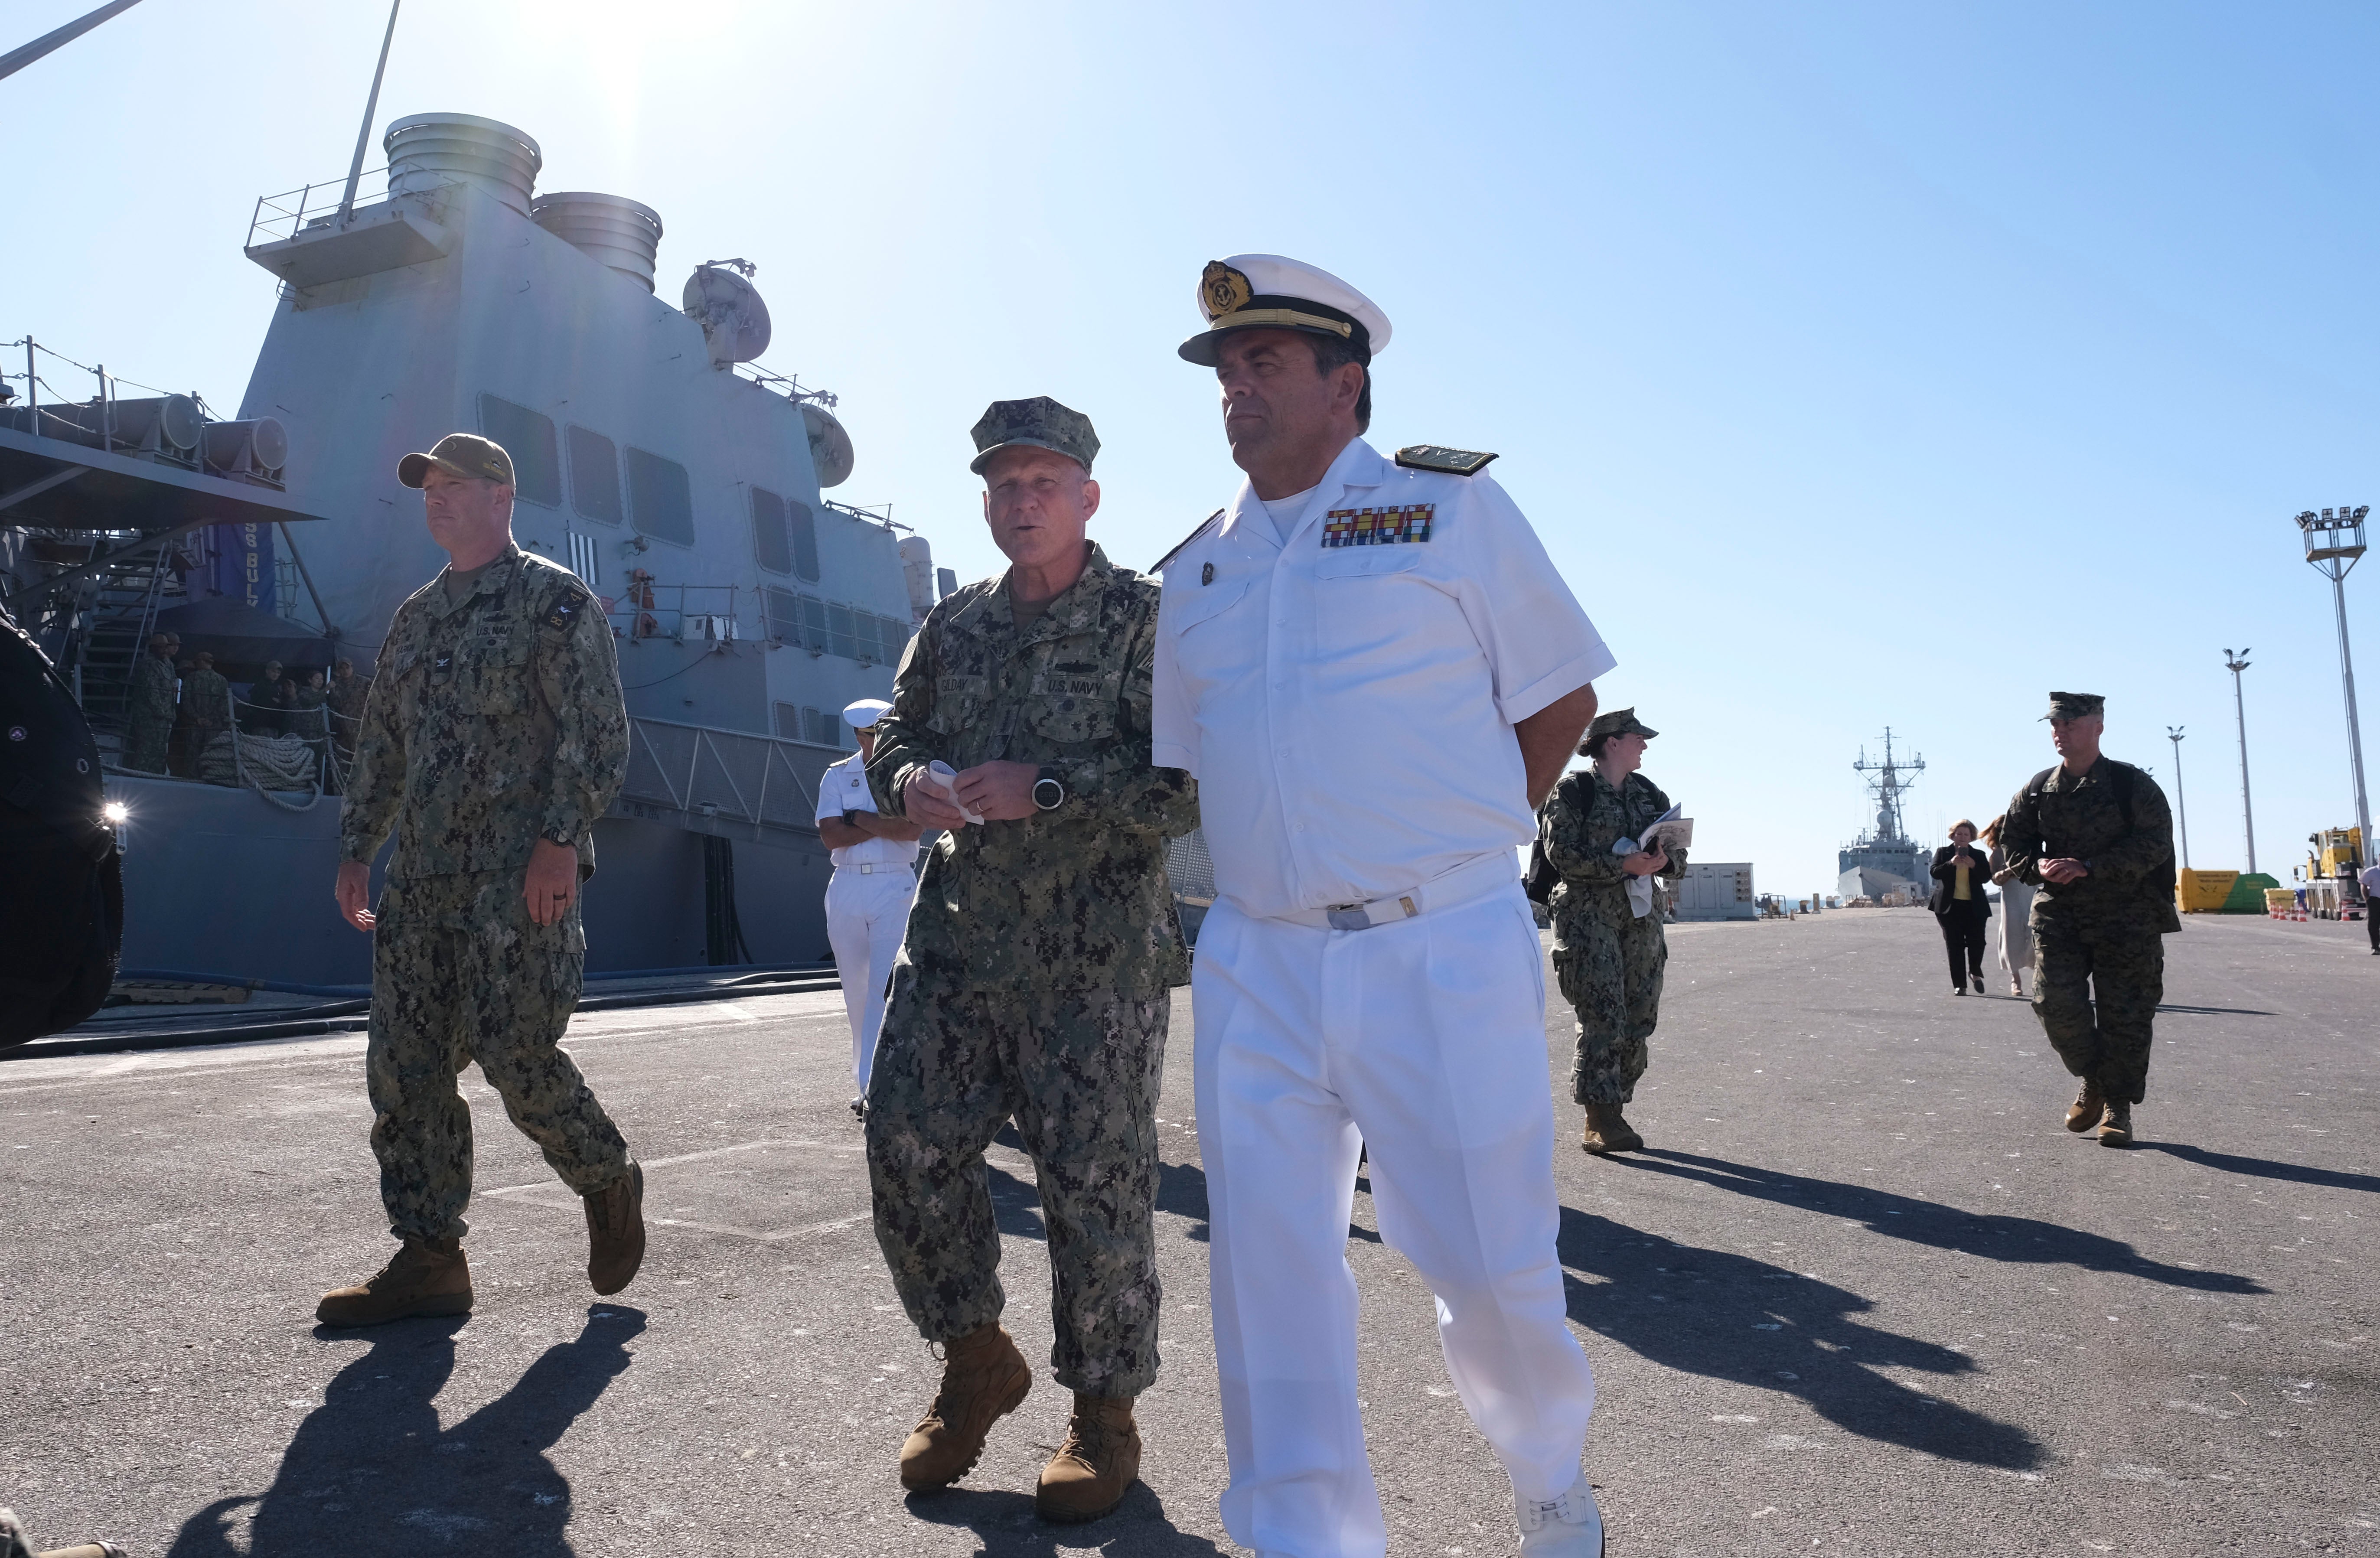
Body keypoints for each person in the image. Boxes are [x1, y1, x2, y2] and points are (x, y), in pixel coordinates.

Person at [1154, 255, 1614, 1557]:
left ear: (1344, 384)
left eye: (1266, 365)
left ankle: (1546, 1472)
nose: (1237, 387)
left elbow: (1560, 698)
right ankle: (1306, 1536)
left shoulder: (1446, 512)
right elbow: (1193, 762)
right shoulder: (1195, 573)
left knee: (1489, 1260)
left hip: (1439, 940)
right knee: (1266, 1272)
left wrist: (1466, 847)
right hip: (1256, 954)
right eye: (1227, 371)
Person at [862, 397, 1197, 1523]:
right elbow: (898, 733)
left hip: (1093, 962)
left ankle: (1104, 1414)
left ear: (1089, 496)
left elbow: (1185, 783)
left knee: (1093, 1191)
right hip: (956, 942)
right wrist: (906, 779)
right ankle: (975, 1357)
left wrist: (1046, 787)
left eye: (1043, 482)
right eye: (1003, 484)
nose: (1021, 501)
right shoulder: (952, 626)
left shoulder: (1147, 621)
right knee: (906, 1145)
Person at [321, 432, 644, 1327]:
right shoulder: (418, 618)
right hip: (423, 885)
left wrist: (556, 841)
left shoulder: (553, 603)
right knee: (405, 1071)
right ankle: (430, 1256)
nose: (435, 497)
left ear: (501, 497)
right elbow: (384, 739)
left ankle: (606, 1177)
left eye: (452, 484)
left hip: (517, 883)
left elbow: (596, 733)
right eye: (427, 486)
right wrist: (358, 848)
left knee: (517, 1057)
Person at [1997, 692, 2178, 1147]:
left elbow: (2156, 842)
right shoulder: (2038, 789)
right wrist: (2034, 867)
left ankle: (2117, 1106)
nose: (2060, 732)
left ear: (2098, 725)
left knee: (2128, 1014)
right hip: (2061, 915)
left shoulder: (2130, 785)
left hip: (2128, 917)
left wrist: (2091, 866)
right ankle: (2094, 1078)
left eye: (2071, 723)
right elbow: (2012, 842)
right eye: (2055, 724)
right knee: (2054, 1004)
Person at [1541, 707, 1686, 1155]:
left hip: (1641, 916)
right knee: (1604, 1013)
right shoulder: (1573, 790)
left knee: (1641, 1015)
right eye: (1637, 738)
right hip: (1588, 916)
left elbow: (1678, 855)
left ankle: (1616, 1102)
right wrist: (1620, 864)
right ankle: (1600, 1117)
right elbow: (1560, 854)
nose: (1644, 745)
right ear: (1611, 743)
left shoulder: (1648, 792)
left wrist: (1664, 861)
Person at [816, 695, 923, 1113]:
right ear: (857, 736)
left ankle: (879, 1089)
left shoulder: (907, 779)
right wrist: (881, 825)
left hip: (894, 887)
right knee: (856, 993)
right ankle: (865, 1082)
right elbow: (830, 836)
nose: (871, 744)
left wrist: (857, 819)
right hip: (845, 888)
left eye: (878, 735)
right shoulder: (838, 776)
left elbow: (911, 830)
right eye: (865, 736)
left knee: (886, 987)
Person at [1928, 819, 1993, 995]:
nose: (1963, 838)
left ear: (1971, 837)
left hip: (1974, 906)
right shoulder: (1944, 852)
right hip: (1949, 907)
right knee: (1955, 946)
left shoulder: (1979, 855)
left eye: (1966, 834)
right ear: (1953, 836)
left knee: (1978, 943)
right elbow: (1934, 872)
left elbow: (1986, 877)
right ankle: (1960, 985)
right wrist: (1951, 863)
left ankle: (1975, 972)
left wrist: (1974, 866)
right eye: (1959, 834)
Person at [1983, 814, 2035, 995]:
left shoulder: (2028, 847)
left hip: (2032, 891)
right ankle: (2016, 980)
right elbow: (1995, 879)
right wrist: (2008, 872)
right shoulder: (1997, 853)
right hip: (2011, 894)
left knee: (2034, 933)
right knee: (2011, 933)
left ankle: (2038, 976)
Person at [120, 631, 179, 774]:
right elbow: (151, 691)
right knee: (147, 748)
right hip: (150, 717)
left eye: (166, 646)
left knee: (160, 750)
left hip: (164, 718)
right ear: (153, 648)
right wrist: (162, 713)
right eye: (161, 647)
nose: (164, 649)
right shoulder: (148, 665)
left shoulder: (168, 665)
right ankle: (140, 775)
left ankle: (156, 775)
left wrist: (171, 714)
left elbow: (172, 690)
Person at [183, 651, 231, 775]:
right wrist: (212, 719)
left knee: (192, 757)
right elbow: (225, 704)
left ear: (201, 661)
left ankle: (190, 782)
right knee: (211, 756)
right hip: (214, 727)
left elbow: (185, 701)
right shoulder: (223, 681)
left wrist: (197, 718)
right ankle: (209, 778)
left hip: (195, 726)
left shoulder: (191, 678)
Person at [326, 656, 369, 769]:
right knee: (343, 762)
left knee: (362, 761)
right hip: (343, 729)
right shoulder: (336, 685)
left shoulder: (364, 682)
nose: (345, 671)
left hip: (360, 728)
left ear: (352, 668)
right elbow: (333, 705)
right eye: (342, 669)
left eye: (347, 668)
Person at [245, 658, 286, 736]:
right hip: (261, 726)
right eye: (274, 672)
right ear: (267, 671)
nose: (276, 675)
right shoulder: (261, 685)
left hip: (273, 726)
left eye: (278, 673)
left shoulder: (275, 687)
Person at [2359, 856, 2380, 955]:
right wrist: (2367, 898)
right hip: (2375, 900)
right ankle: (2375, 947)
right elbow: (2363, 884)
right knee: (2374, 925)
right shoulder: (2371, 872)